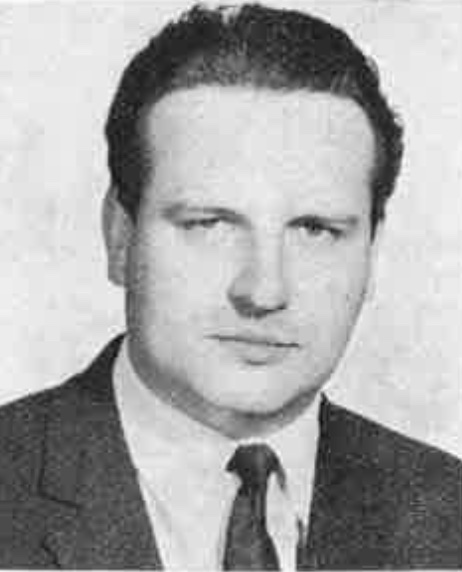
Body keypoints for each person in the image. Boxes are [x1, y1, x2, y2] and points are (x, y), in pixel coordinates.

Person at [0, 3, 460, 569]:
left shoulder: (447, 514)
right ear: (120, 235)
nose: (264, 292)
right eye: (210, 225)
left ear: (372, 252)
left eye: (315, 230)